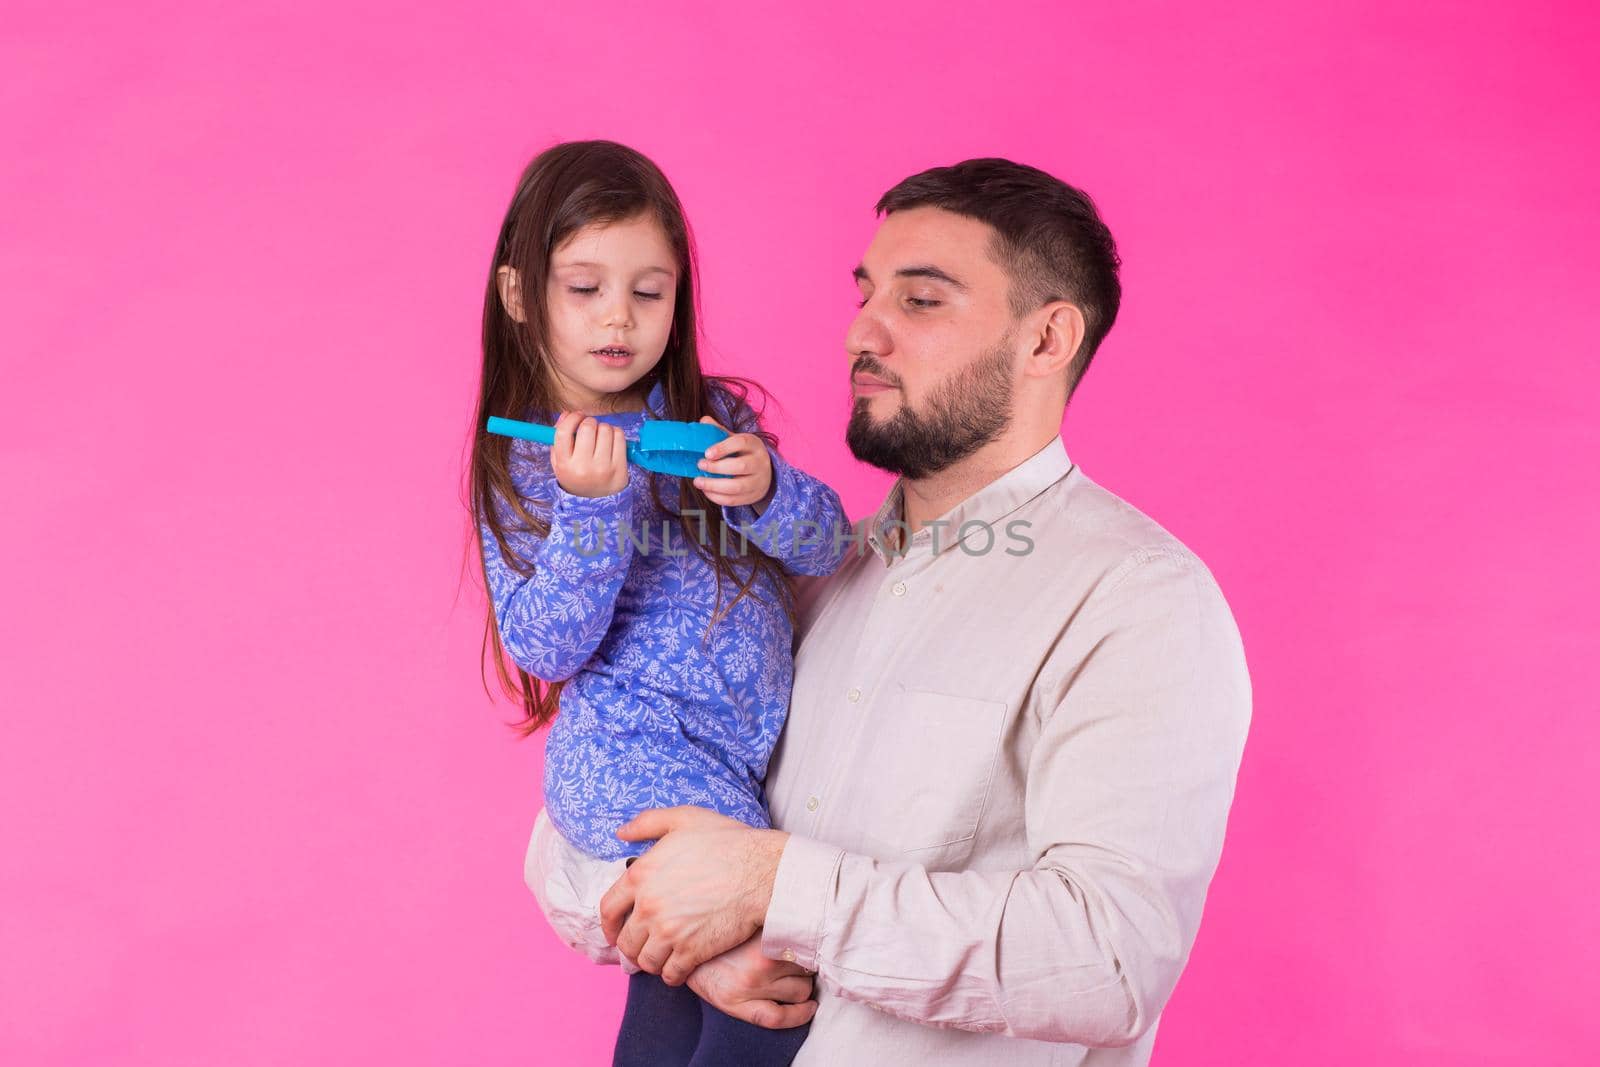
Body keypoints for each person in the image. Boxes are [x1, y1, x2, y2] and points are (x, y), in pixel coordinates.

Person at [524, 156, 1254, 1066]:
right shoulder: (795, 569)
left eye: (921, 301)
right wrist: (692, 935)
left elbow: (1110, 958)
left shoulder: (1138, 601)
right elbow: (566, 840)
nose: (861, 333)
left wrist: (773, 886)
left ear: (1045, 340)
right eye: (866, 293)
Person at [468, 139, 851, 1066]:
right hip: (633, 761)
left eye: (650, 290)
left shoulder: (713, 415)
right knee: (766, 984)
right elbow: (545, 646)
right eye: (585, 287)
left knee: (687, 988)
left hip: (739, 758)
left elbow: (832, 547)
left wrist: (767, 489)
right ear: (522, 296)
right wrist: (592, 511)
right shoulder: (523, 464)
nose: (620, 318)